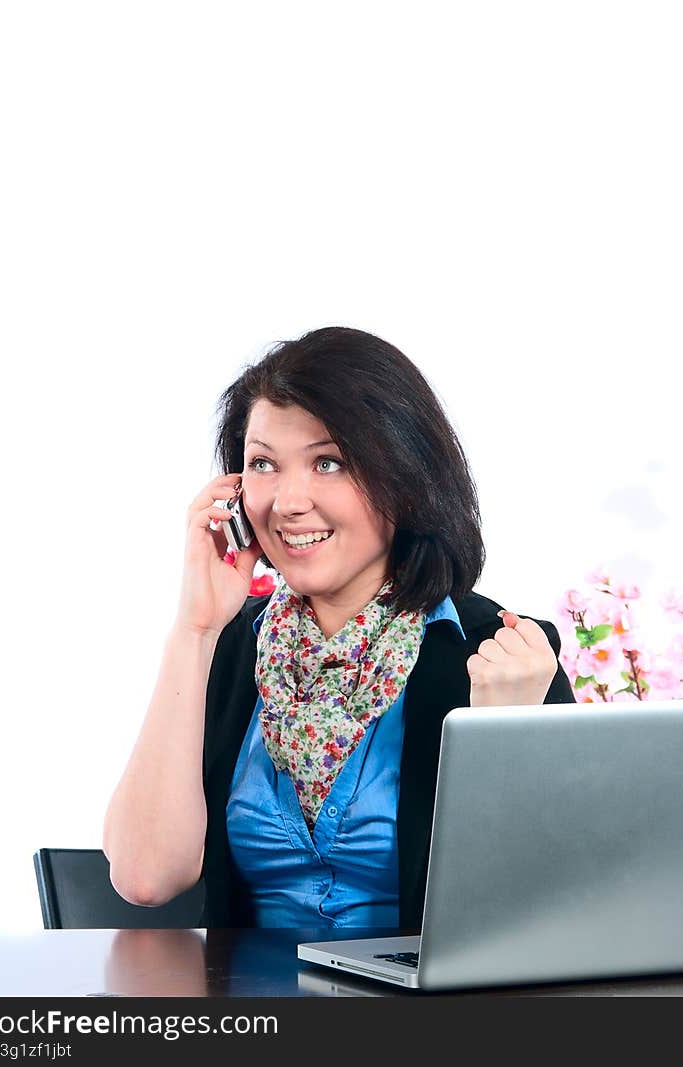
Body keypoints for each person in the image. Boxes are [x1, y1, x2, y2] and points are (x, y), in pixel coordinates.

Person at [103, 326, 575, 929]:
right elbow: (145, 877)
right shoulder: (228, 646)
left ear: (405, 479)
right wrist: (194, 631)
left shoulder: (502, 654)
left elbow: (543, 921)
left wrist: (498, 744)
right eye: (263, 465)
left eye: (328, 463)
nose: (288, 501)